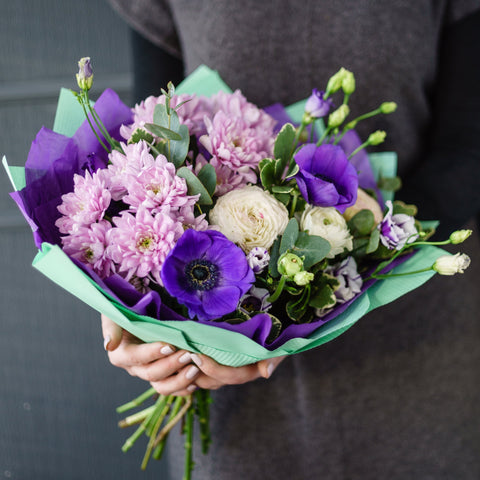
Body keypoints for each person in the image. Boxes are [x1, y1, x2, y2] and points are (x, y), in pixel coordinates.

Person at [102, 1, 480, 478]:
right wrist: (135, 309)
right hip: (227, 376)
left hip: (415, 351)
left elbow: (469, 149)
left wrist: (353, 248)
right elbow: (154, 138)